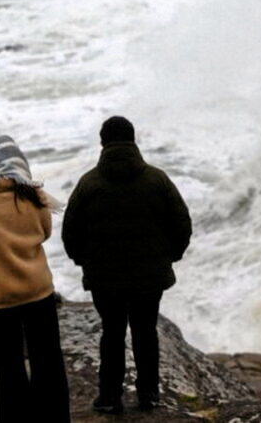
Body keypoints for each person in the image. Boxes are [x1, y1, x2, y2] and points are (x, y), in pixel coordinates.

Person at [62, 116, 192, 414]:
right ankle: (148, 395)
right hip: (149, 277)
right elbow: (182, 223)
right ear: (133, 140)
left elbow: (70, 232)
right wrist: (168, 257)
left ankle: (109, 397)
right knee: (146, 332)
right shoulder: (157, 180)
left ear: (103, 142)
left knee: (112, 333)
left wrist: (85, 262)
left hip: (104, 279)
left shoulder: (88, 183)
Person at [0, 135, 70, 423]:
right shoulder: (34, 196)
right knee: (49, 365)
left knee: (8, 369)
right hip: (38, 292)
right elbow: (44, 233)